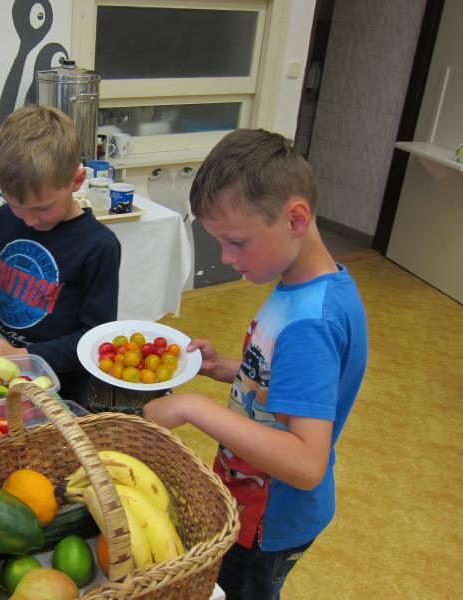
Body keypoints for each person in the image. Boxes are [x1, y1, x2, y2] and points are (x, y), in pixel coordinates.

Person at [143, 129, 367, 599]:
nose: (226, 258)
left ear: (295, 219)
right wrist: (226, 367)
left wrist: (192, 407)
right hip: (251, 500)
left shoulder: (310, 325)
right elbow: (282, 382)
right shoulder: (301, 284)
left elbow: (306, 463)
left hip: (269, 520)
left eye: (237, 242)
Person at [0, 106, 121, 402]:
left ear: (76, 181)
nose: (30, 220)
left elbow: (94, 337)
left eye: (43, 208)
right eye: (17, 206)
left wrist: (22, 356)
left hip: (57, 384)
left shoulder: (99, 246)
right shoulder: (6, 218)